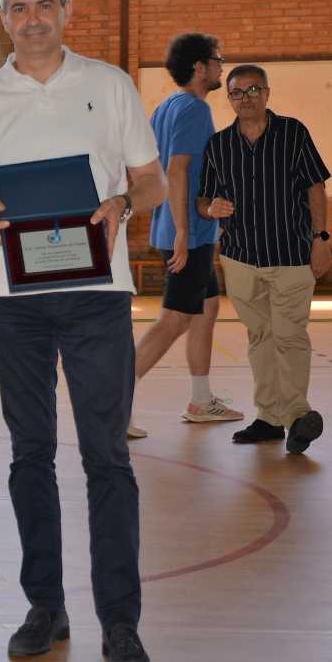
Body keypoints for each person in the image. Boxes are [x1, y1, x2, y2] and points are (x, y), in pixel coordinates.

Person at [0, 0, 166, 662]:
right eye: (18, 7)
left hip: (100, 292)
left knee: (107, 454)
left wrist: (124, 207)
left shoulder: (111, 85)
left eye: (45, 5)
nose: (33, 18)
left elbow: (150, 178)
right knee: (30, 452)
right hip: (15, 299)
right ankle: (45, 605)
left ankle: (121, 623)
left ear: (66, 9)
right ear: (2, 18)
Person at [199, 65, 331, 455]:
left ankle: (298, 415)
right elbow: (203, 198)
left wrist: (321, 238)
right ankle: (270, 418)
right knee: (260, 337)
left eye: (253, 90)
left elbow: (316, 187)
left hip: (291, 255)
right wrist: (210, 210)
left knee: (289, 336)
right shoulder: (218, 145)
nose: (246, 98)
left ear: (267, 93)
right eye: (237, 92)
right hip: (240, 259)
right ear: (229, 99)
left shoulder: (293, 133)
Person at [128, 33, 244, 439]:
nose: (221, 66)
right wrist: (181, 232)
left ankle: (200, 400)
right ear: (200, 67)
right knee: (173, 320)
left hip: (189, 232)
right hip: (187, 235)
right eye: (217, 59)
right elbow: (175, 171)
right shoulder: (194, 110)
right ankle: (112, 407)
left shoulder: (167, 106)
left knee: (207, 310)